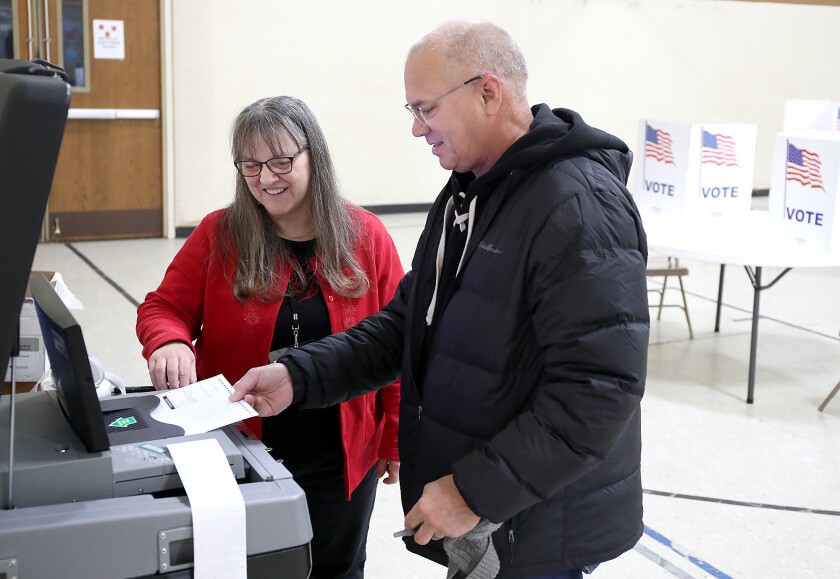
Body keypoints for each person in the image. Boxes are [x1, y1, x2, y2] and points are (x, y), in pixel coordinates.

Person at [231, 20, 649, 579]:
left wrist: (475, 491)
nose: (417, 129)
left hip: (539, 522)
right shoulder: (467, 195)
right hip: (497, 517)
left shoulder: (577, 205)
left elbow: (599, 390)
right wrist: (299, 376)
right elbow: (406, 324)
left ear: (487, 91)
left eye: (424, 108)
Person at [136, 96, 404, 579]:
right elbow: (164, 308)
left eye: (281, 160)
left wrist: (395, 438)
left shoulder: (367, 237)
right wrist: (168, 341)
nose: (266, 177)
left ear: (313, 157)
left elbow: (397, 345)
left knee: (336, 567)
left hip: (340, 452)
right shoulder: (221, 233)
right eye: (251, 165)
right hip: (241, 447)